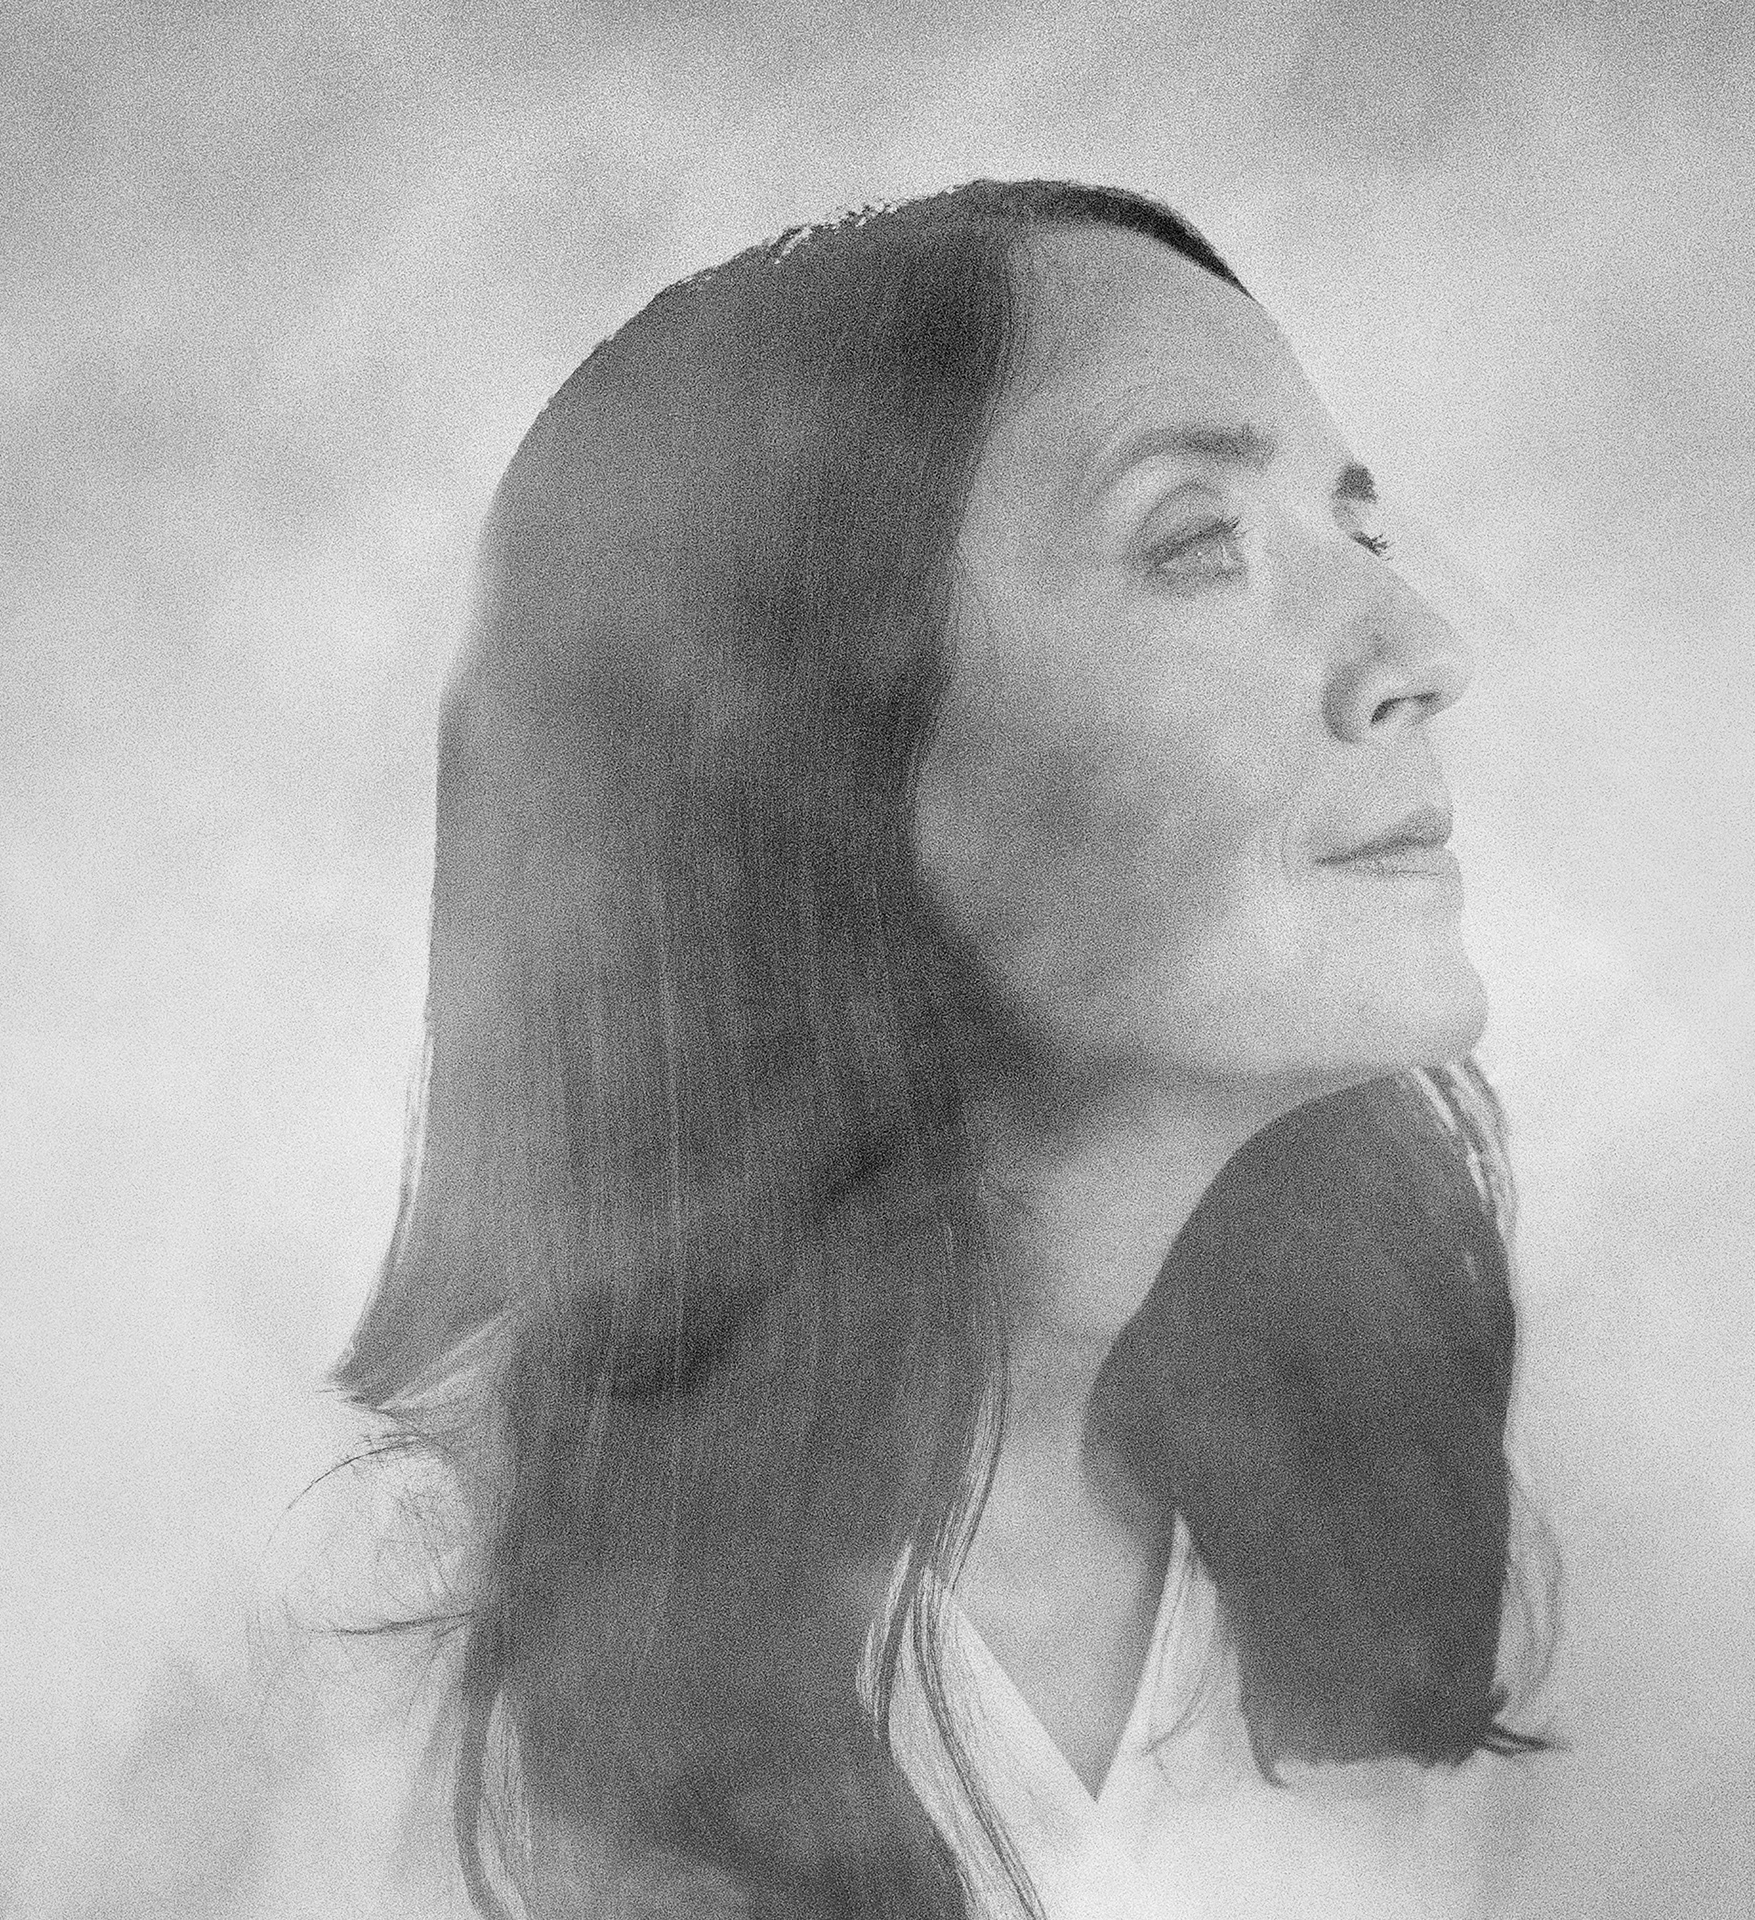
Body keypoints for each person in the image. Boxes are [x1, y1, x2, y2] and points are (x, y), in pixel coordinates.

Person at [334, 179, 1549, 1920]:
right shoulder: (379, 1639)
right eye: (1196, 541)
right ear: (805, 752)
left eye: (1358, 533)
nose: (1421, 652)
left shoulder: (1342, 1525)